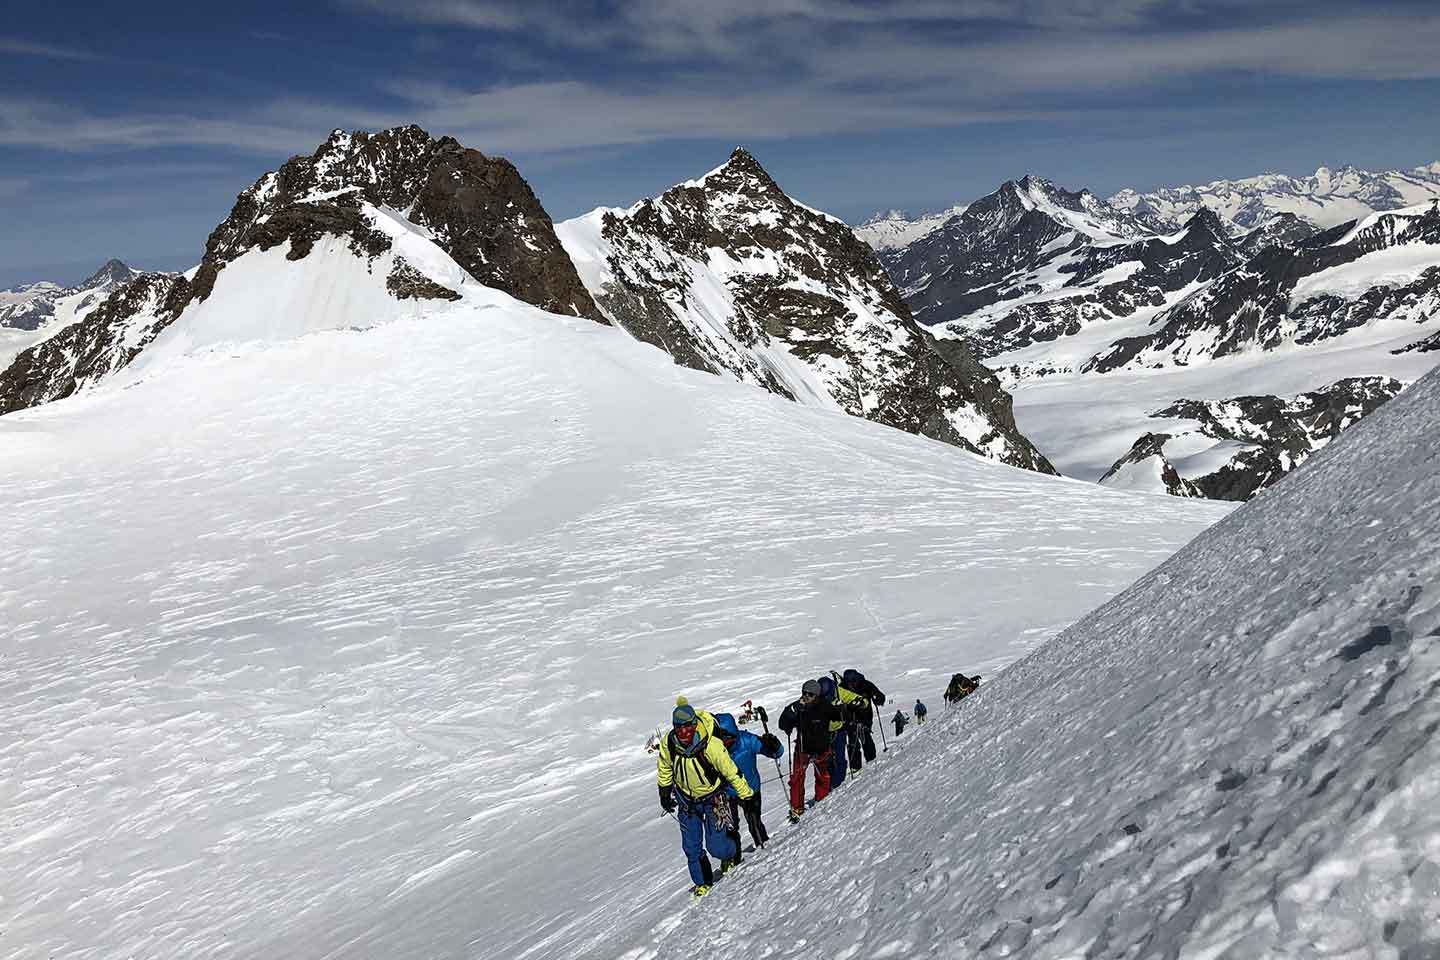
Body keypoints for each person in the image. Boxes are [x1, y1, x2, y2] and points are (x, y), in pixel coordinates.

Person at [657, 698, 755, 898]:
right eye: (679, 727)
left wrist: (747, 796)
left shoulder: (711, 745)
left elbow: (731, 772)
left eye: (687, 726)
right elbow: (665, 767)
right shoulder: (669, 743)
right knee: (691, 847)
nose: (683, 732)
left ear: (694, 724)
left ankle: (731, 851)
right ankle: (702, 882)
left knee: (716, 846)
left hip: (714, 799)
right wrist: (664, 792)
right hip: (686, 802)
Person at [713, 712, 784, 850]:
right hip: (727, 792)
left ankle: (764, 846)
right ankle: (734, 857)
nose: (722, 743)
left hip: (751, 789)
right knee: (730, 827)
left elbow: (777, 753)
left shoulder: (747, 740)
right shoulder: (715, 750)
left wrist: (774, 745)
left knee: (754, 822)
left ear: (732, 735)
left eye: (725, 738)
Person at [778, 679, 838, 822]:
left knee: (823, 777)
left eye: (810, 694)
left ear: (817, 695)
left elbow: (839, 716)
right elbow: (783, 724)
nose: (805, 696)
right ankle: (797, 808)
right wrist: (790, 715)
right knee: (797, 780)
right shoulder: (797, 707)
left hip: (821, 749)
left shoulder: (824, 706)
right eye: (804, 693)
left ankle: (822, 801)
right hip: (803, 749)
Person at [840, 668, 887, 765]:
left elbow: (880, 696)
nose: (851, 685)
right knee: (853, 742)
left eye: (852, 682)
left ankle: (872, 761)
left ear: (856, 679)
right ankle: (856, 767)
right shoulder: (842, 687)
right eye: (848, 683)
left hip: (865, 718)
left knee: (865, 738)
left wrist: (878, 699)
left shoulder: (866, 685)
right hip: (850, 719)